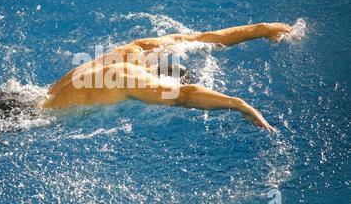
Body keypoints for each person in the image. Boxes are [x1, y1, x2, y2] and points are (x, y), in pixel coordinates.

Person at [39, 22, 294, 131]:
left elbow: (202, 38)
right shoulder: (136, 82)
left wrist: (262, 29)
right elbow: (185, 95)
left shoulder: (134, 50)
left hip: (25, 100)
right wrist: (238, 104)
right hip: (27, 123)